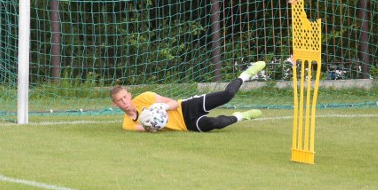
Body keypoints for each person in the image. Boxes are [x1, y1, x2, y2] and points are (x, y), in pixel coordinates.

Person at [110, 61, 265, 132]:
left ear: (129, 95)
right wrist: (152, 123)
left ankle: (245, 75)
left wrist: (162, 107)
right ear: (115, 104)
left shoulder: (146, 97)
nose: (124, 102)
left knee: (227, 94)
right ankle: (242, 116)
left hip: (186, 107)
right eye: (120, 100)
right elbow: (148, 129)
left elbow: (173, 103)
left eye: (125, 97)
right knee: (217, 123)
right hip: (186, 125)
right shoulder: (127, 125)